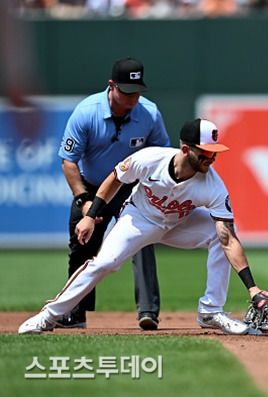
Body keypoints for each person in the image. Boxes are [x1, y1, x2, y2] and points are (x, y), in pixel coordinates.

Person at [19, 118, 268, 336]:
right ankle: (49, 315)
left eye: (215, 152)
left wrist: (252, 288)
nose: (212, 158)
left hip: (178, 223)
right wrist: (91, 215)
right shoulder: (149, 159)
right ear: (186, 150)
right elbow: (115, 178)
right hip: (139, 219)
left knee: (219, 234)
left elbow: (228, 240)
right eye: (206, 152)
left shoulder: (213, 185)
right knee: (105, 264)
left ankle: (211, 311)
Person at [57, 57, 170, 331]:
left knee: (142, 242)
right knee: (82, 244)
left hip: (131, 189)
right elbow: (68, 160)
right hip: (94, 186)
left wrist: (151, 192)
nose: (132, 98)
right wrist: (84, 200)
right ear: (111, 86)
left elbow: (163, 156)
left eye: (136, 92)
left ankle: (148, 312)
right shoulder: (87, 112)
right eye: (125, 91)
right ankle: (76, 312)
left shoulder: (150, 114)